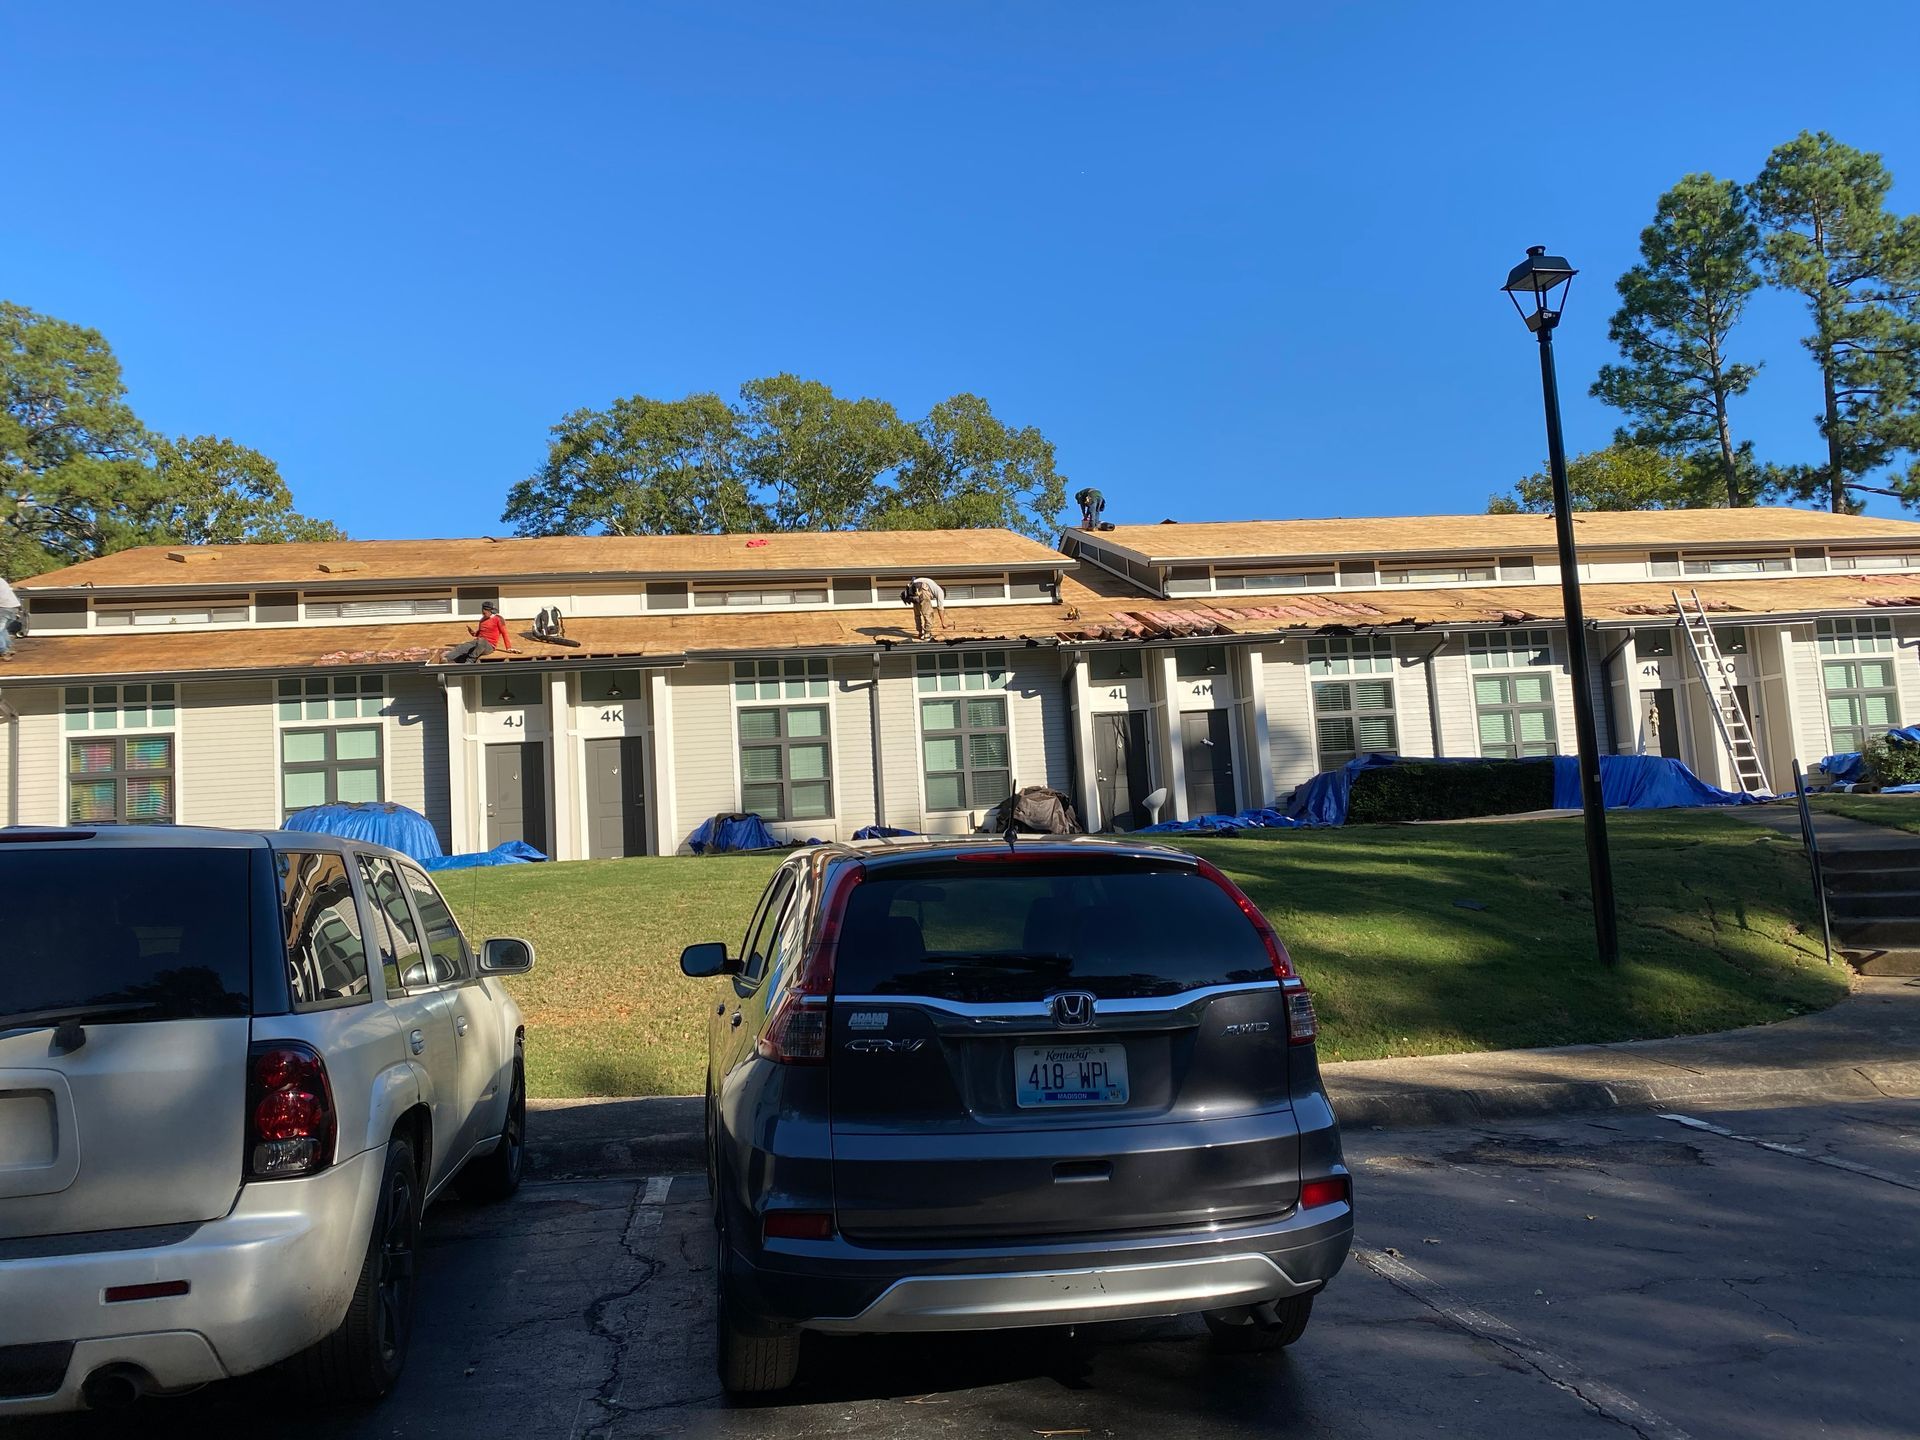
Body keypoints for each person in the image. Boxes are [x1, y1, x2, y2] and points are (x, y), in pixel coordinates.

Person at [446, 601, 511, 663]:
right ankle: (446, 658)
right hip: (478, 641)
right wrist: (472, 633)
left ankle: (469, 661)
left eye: (485, 612)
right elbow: (479, 634)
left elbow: (504, 633)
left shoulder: (498, 619)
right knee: (462, 646)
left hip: (489, 646)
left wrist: (508, 647)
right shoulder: (482, 620)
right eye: (483, 612)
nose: (484, 614)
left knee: (481, 642)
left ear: (491, 611)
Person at [904, 576, 947, 641]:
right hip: (923, 588)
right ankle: (927, 635)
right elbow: (940, 608)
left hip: (912, 588)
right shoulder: (940, 591)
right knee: (928, 614)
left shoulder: (933, 586)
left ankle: (920, 633)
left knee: (917, 615)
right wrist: (943, 623)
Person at [0, 574, 21, 662]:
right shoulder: (1, 580)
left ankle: (4, 651)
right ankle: (8, 647)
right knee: (3, 629)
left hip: (4, 607)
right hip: (14, 607)